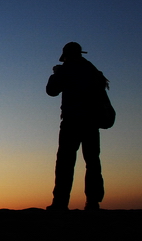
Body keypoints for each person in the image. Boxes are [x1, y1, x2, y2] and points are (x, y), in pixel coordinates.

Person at [46, 42, 111, 211]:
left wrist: (56, 73)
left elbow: (51, 90)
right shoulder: (92, 70)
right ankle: (93, 202)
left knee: (65, 163)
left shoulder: (67, 69)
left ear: (66, 55)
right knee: (92, 162)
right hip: (91, 123)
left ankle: (60, 202)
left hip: (72, 122)